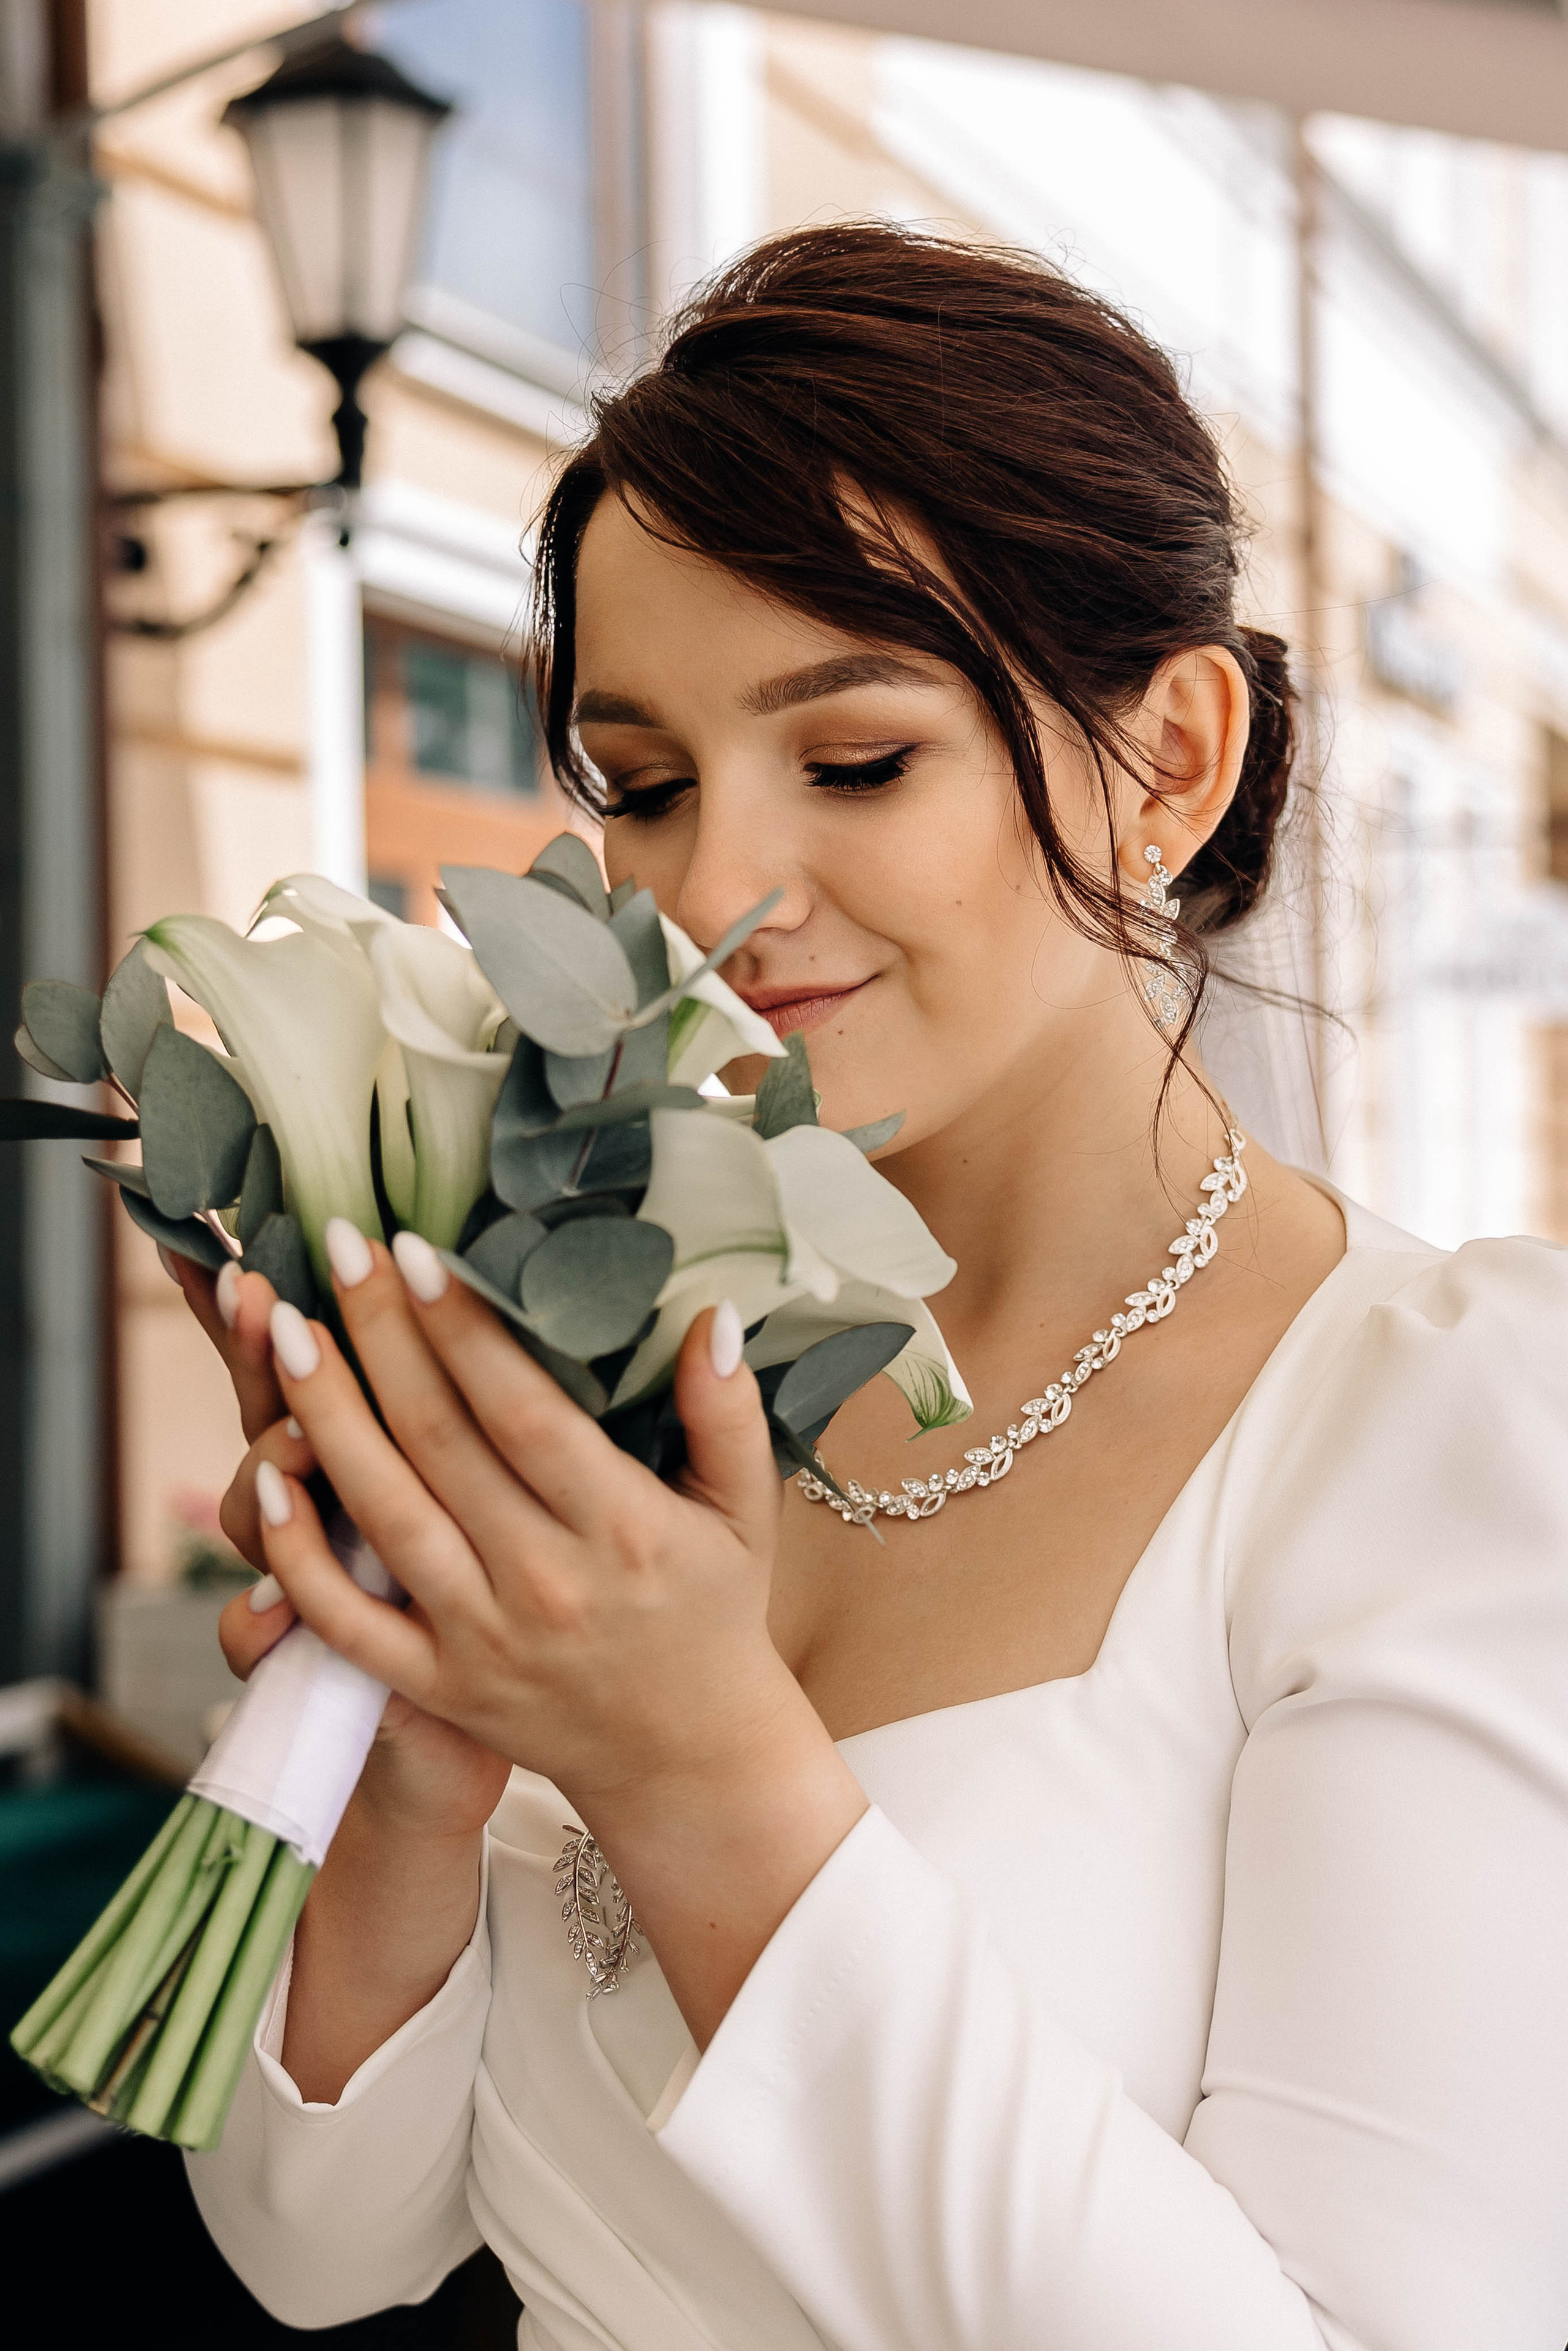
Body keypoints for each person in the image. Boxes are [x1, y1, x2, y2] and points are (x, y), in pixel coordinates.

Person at [168, 224, 1568, 2349]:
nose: (711, 893)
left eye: (853, 760)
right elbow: (318, 2248)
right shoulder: (624, 1347)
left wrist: (688, 1762)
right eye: (638, 787)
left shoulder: (1436, 1436)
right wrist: (424, 1750)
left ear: (1170, 760)